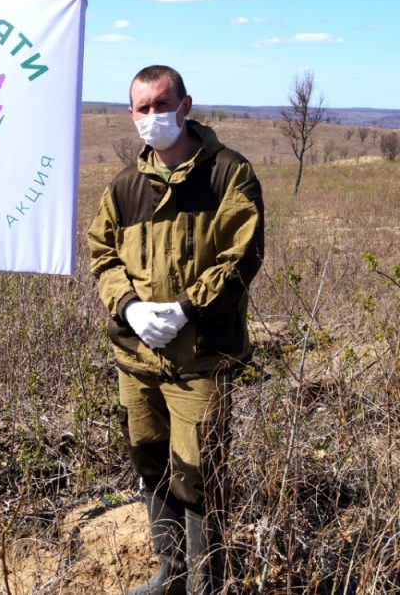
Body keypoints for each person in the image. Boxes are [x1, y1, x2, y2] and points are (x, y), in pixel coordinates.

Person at [87, 65, 264, 594]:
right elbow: (102, 254)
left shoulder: (228, 173)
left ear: (185, 105)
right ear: (130, 114)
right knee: (150, 457)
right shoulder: (123, 187)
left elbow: (241, 255)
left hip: (202, 353)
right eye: (142, 108)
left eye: (162, 105)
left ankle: (205, 582)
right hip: (137, 357)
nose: (152, 117)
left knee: (200, 469)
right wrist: (129, 306)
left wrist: (187, 308)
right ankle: (172, 572)